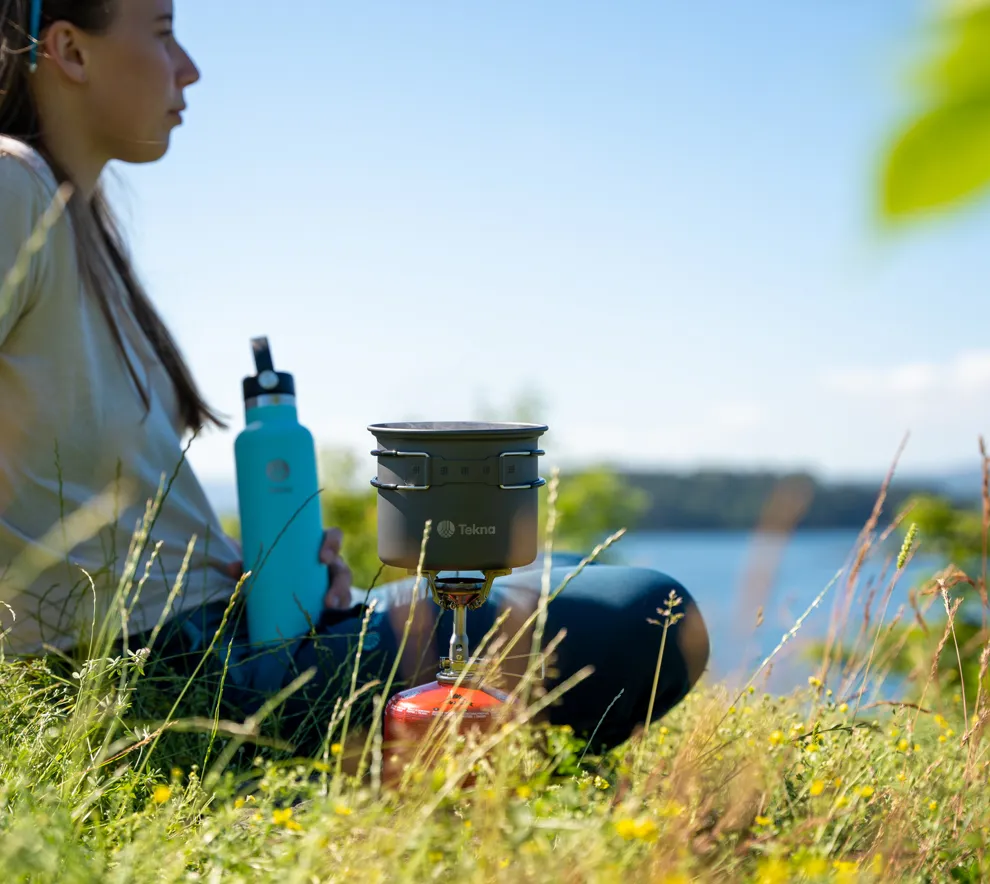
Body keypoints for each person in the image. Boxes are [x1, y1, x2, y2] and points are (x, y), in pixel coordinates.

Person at [0, 0, 709, 762]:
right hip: (183, 675)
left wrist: (267, 566)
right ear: (71, 50)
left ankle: (426, 753)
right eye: (164, 34)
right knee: (652, 612)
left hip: (228, 628)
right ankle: (422, 767)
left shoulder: (78, 223)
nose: (190, 70)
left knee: (563, 573)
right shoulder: (14, 184)